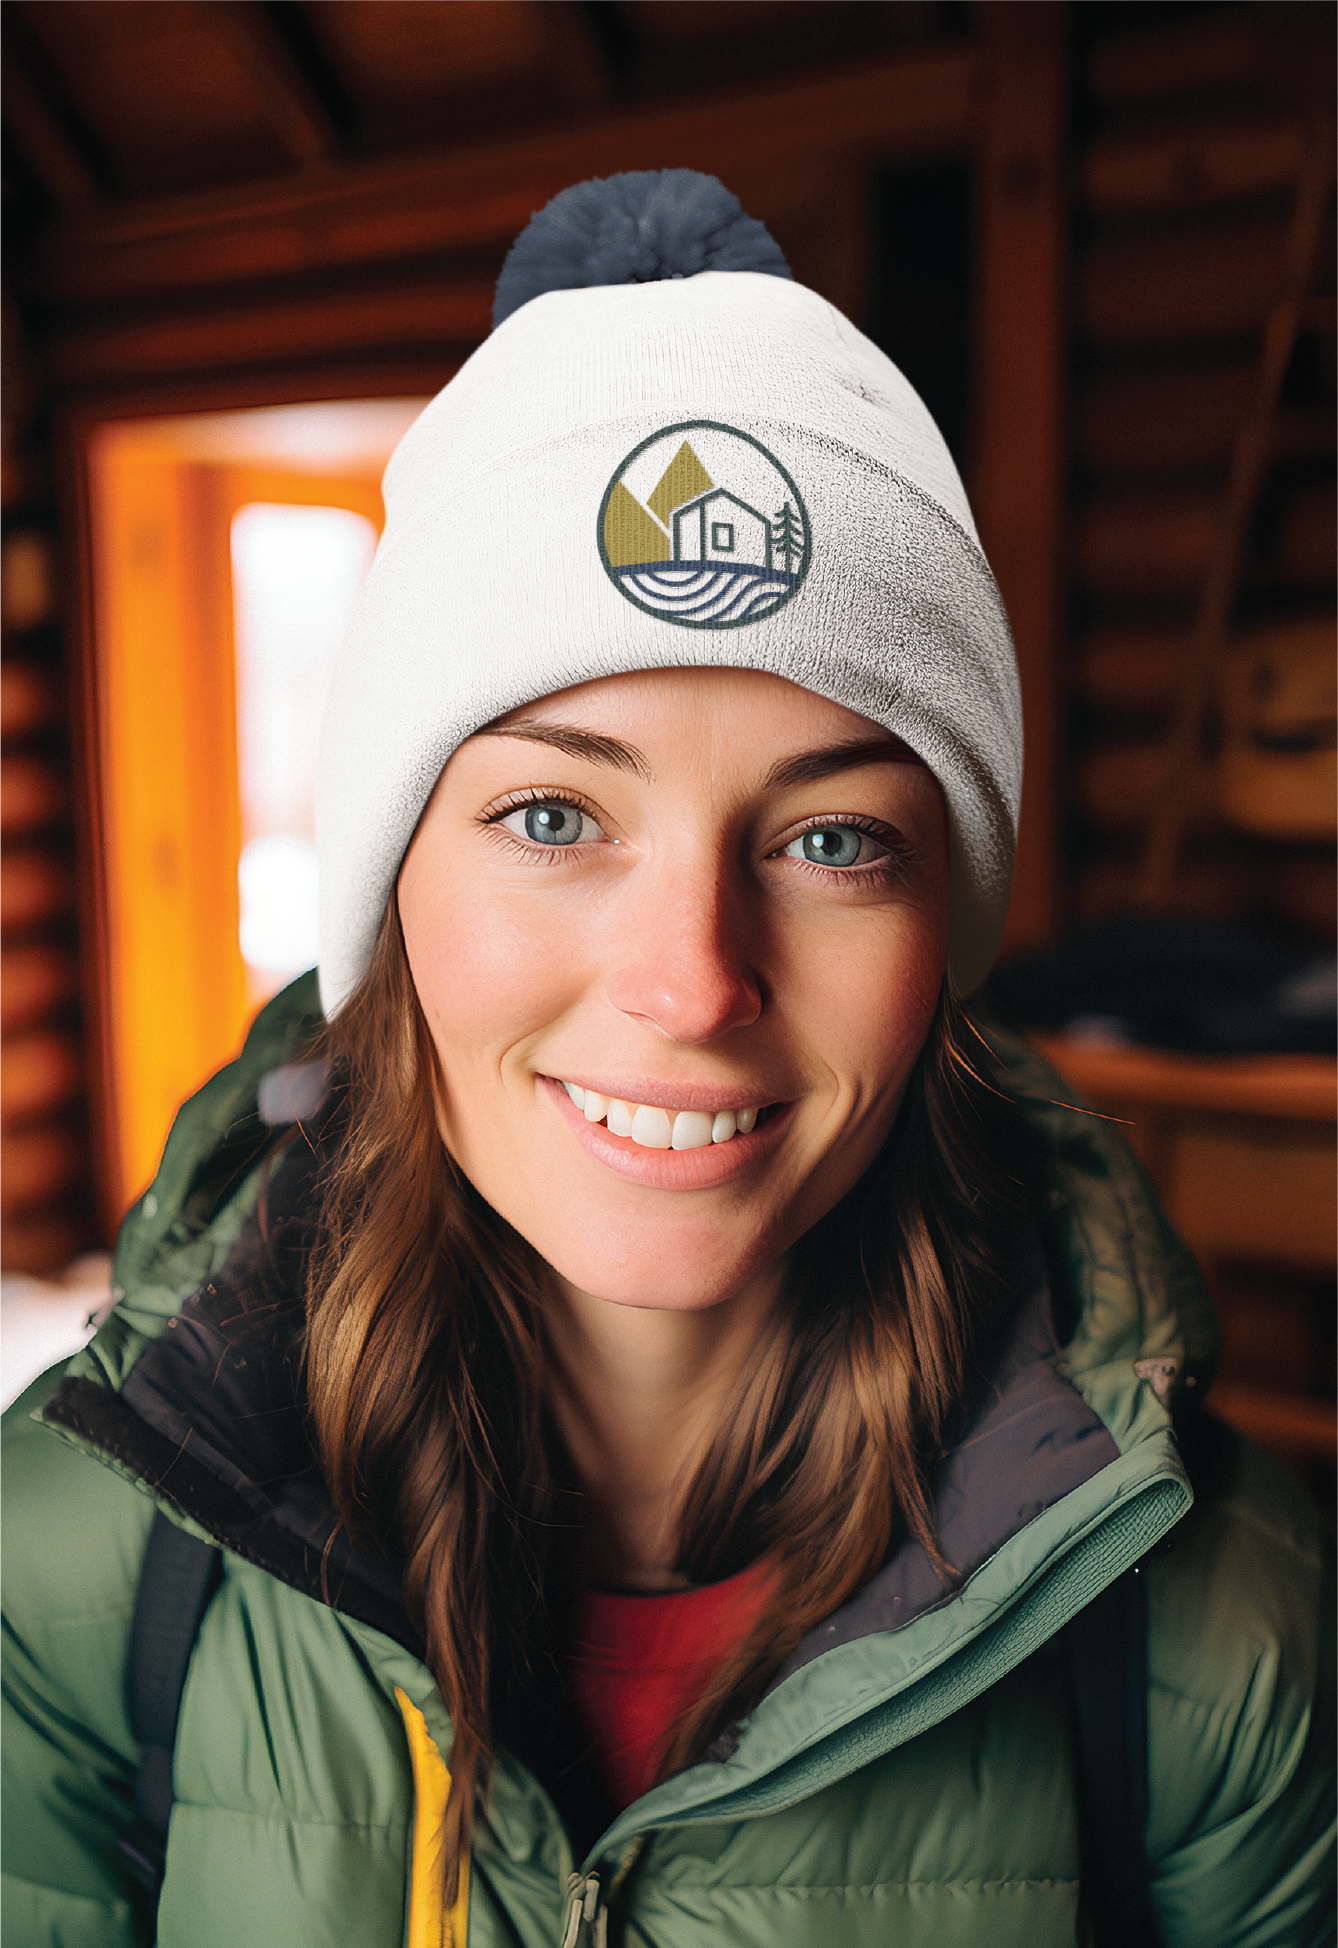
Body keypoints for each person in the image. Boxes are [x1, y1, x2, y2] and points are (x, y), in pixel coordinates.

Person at [3, 172, 1331, 1948]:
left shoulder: (1221, 1624)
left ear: (946, 939)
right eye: (555, 813)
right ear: (392, 895)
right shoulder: (68, 1570)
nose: (695, 983)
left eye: (833, 841)